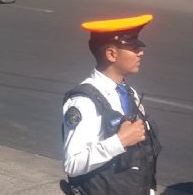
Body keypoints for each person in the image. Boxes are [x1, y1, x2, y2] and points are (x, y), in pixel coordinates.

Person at [62, 15, 160, 195]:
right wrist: (119, 141)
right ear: (112, 54)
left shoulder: (129, 93)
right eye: (134, 47)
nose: (141, 52)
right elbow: (72, 164)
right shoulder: (85, 101)